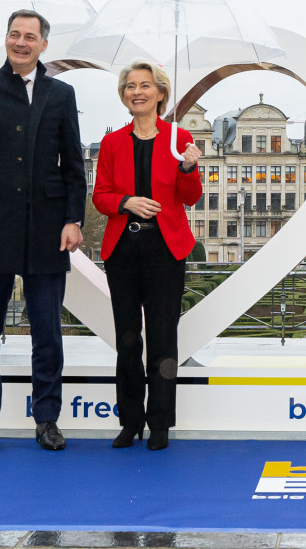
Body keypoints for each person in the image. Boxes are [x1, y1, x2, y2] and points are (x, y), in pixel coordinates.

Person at [0, 9, 86, 453]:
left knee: (47, 331)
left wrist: (73, 219)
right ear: (6, 40)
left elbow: (74, 168)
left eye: (30, 36)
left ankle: (47, 420)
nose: (20, 42)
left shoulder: (61, 94)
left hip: (48, 230)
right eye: (14, 35)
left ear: (44, 44)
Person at [92, 58, 202, 450]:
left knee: (162, 339)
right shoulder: (111, 142)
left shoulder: (178, 138)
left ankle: (159, 424)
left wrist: (189, 169)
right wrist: (126, 202)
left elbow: (191, 198)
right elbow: (100, 196)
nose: (136, 92)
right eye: (129, 86)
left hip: (165, 249)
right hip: (123, 249)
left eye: (144, 85)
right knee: (126, 340)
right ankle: (129, 421)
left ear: (160, 93)